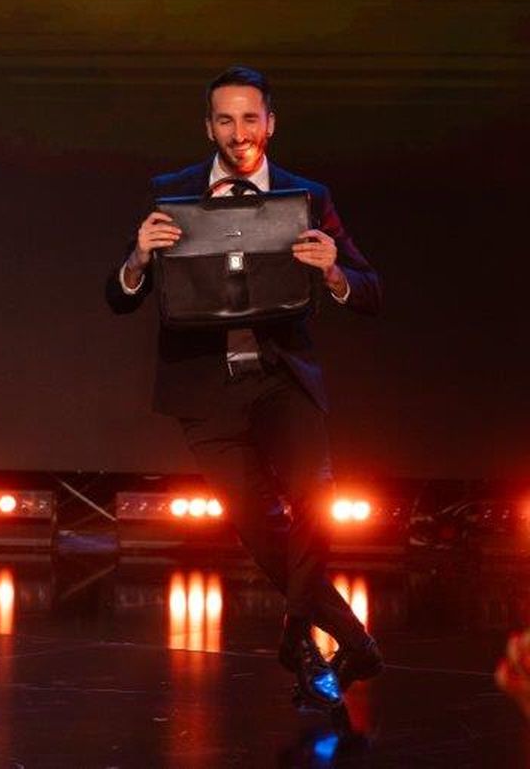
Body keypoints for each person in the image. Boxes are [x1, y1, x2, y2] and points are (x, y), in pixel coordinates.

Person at [105, 65, 383, 710]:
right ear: (209, 127)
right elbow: (119, 297)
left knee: (314, 503)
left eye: (250, 118)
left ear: (270, 123)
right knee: (260, 527)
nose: (239, 133)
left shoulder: (307, 197)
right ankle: (351, 642)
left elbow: (371, 290)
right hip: (207, 391)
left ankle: (300, 638)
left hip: (282, 378)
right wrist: (138, 259)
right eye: (225, 120)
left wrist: (333, 272)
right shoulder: (169, 192)